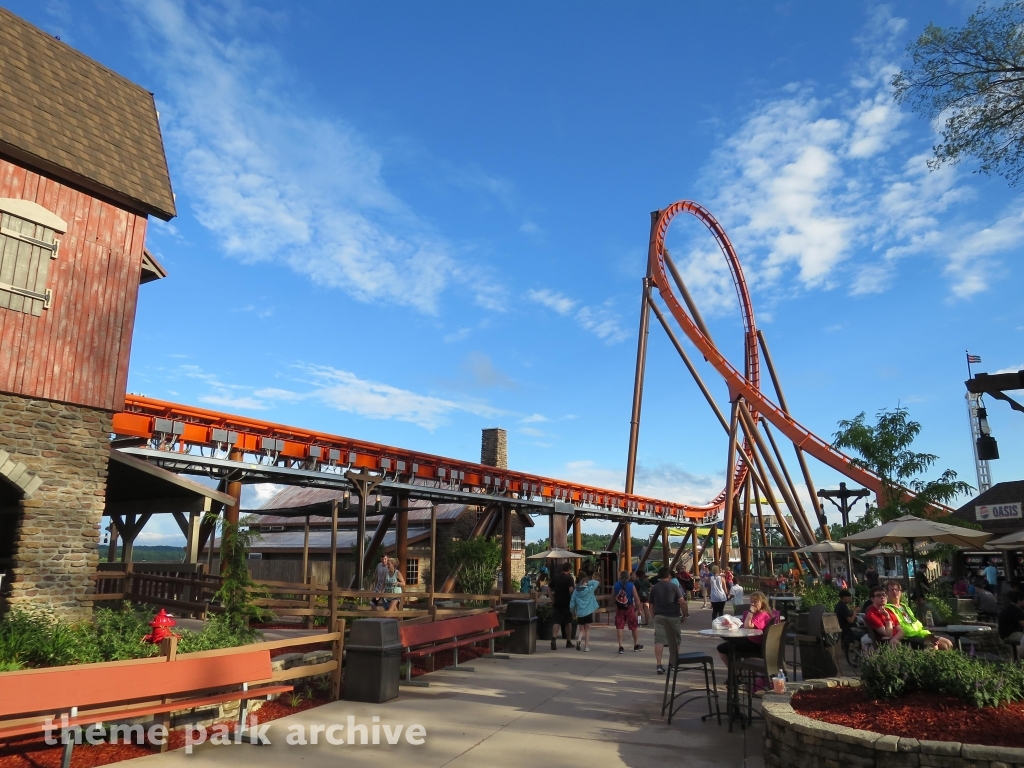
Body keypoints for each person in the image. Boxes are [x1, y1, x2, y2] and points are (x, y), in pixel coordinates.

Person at [885, 581, 952, 650]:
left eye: (897, 590)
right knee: (932, 645)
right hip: (907, 636)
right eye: (892, 590)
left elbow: (916, 624)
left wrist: (927, 634)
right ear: (887, 593)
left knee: (947, 643)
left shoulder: (905, 607)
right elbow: (898, 627)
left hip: (919, 633)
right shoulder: (887, 609)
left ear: (901, 592)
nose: (895, 592)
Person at [716, 591, 772, 666]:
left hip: (756, 646)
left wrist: (751, 611)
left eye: (755, 601)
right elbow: (744, 626)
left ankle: (733, 672)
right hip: (753, 641)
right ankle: (735, 670)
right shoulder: (760, 613)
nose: (752, 604)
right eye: (751, 601)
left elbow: (747, 625)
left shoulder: (762, 615)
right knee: (730, 643)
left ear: (762, 603)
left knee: (722, 648)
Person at [650, 567, 687, 674]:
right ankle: (673, 663)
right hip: (673, 616)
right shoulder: (674, 587)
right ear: (669, 576)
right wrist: (684, 615)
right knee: (675, 639)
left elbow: (651, 606)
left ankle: (659, 664)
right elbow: (682, 602)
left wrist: (653, 617)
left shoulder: (654, 588)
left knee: (659, 640)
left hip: (659, 616)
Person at [612, 570, 643, 654]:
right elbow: (636, 599)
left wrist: (615, 605)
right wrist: (638, 608)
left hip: (619, 608)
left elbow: (613, 596)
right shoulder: (631, 585)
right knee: (634, 626)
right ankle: (636, 644)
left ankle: (621, 646)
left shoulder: (616, 585)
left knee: (619, 627)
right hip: (629, 607)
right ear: (628, 577)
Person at [569, 572, 600, 652]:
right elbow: (596, 582)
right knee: (587, 630)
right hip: (588, 612)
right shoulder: (589, 590)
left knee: (581, 629)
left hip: (580, 613)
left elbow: (572, 603)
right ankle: (586, 647)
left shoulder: (576, 591)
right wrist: (587, 582)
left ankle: (579, 639)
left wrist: (573, 612)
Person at [549, 562, 576, 651]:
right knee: (568, 622)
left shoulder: (556, 577)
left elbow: (549, 587)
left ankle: (553, 638)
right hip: (567, 603)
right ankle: (568, 641)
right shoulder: (570, 578)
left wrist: (552, 597)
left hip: (557, 602)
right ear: (569, 569)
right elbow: (571, 590)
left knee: (556, 621)